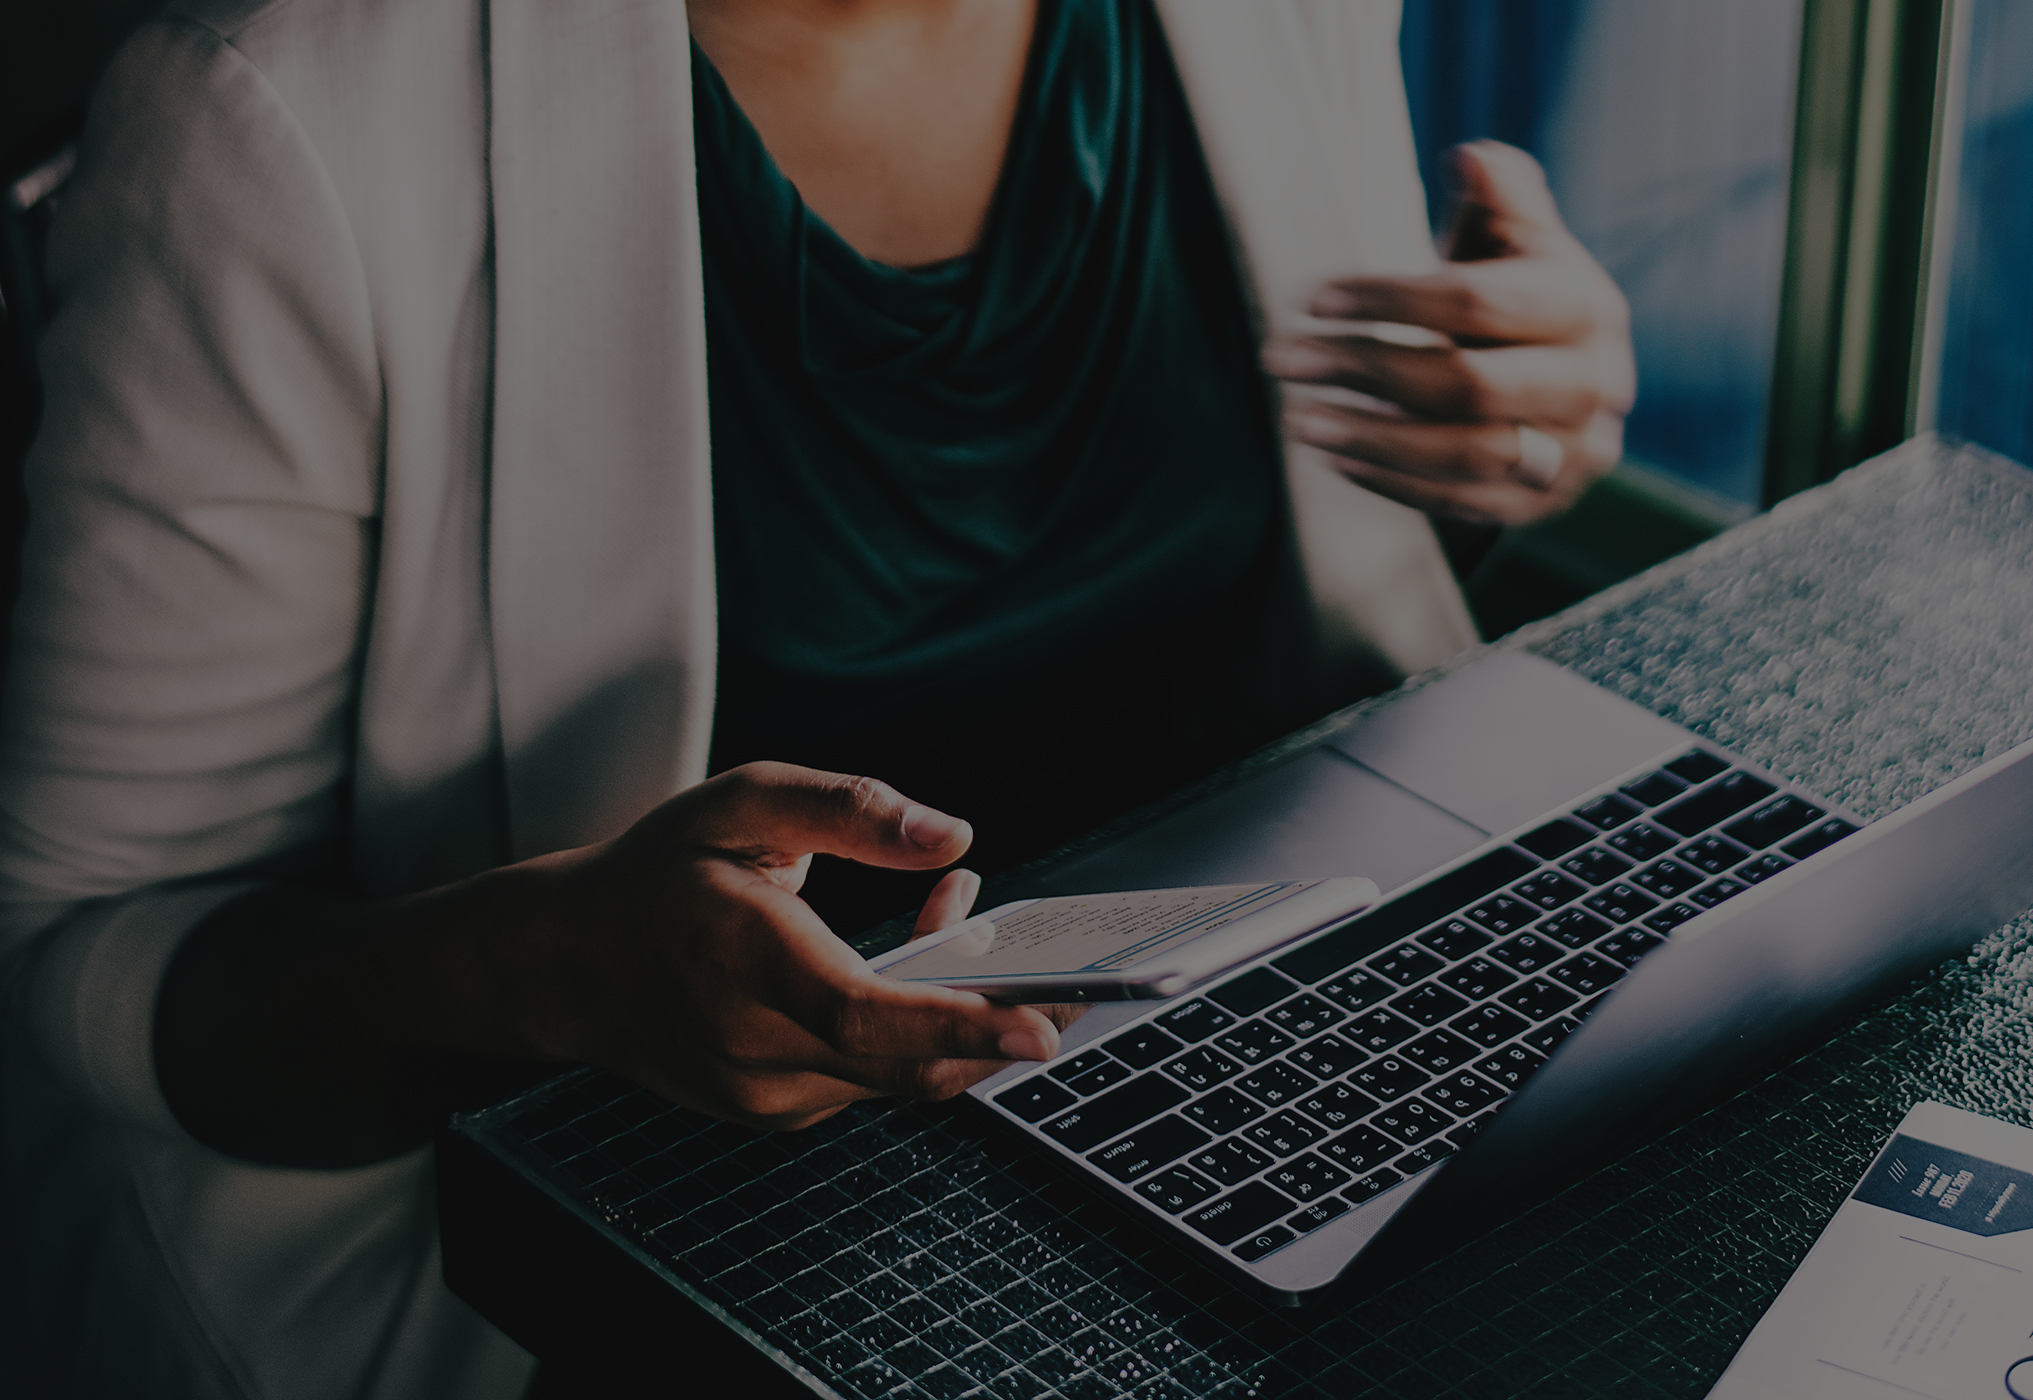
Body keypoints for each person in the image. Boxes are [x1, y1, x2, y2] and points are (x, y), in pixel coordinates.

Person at [0, 0, 1633, 1395]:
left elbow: (1250, 576)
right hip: (662, 1254)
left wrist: (1499, 432)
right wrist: (541, 976)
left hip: (1246, 1099)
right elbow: (83, 949)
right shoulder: (274, 128)